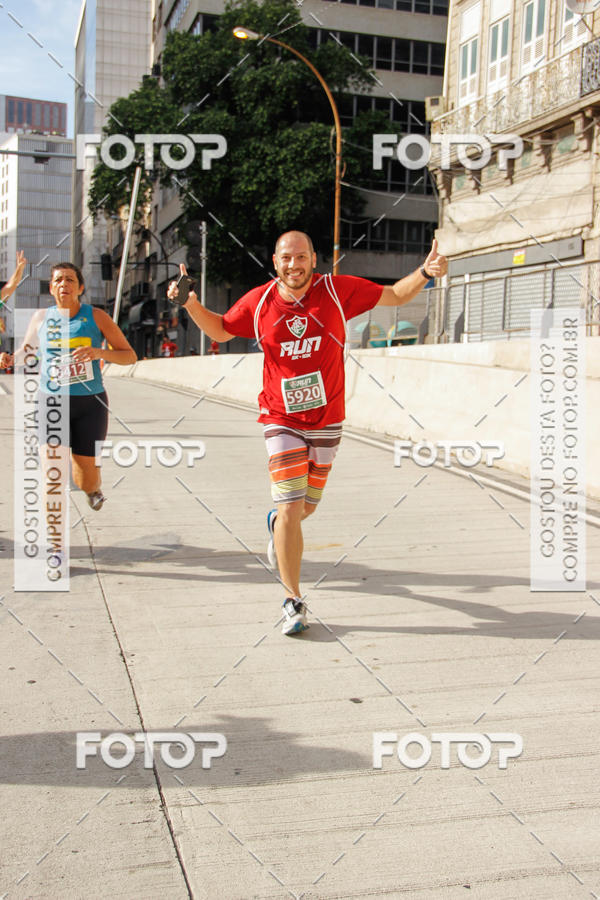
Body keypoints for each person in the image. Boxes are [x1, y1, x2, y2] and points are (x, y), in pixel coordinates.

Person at [168, 231, 447, 634]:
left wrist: (425, 271)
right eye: (286, 258)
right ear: (275, 260)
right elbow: (222, 330)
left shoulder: (337, 291)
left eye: (301, 257)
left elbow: (396, 296)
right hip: (280, 417)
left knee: (304, 509)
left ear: (313, 259)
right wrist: (190, 302)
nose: (294, 265)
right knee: (289, 507)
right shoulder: (260, 300)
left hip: (328, 418)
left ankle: (278, 523)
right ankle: (292, 599)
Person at [0, 262, 136, 510]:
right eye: (59, 280)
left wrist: (98, 353)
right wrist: (11, 358)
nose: (64, 284)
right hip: (51, 401)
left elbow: (129, 356)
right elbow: (28, 352)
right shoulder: (41, 318)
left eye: (70, 280)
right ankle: (54, 539)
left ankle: (92, 488)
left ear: (80, 287)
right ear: (52, 288)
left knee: (86, 478)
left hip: (90, 404)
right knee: (52, 471)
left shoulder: (96, 317)